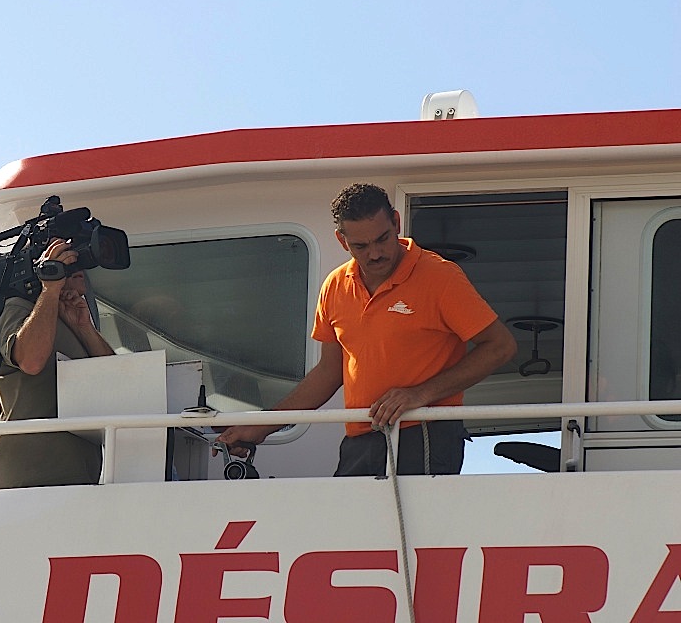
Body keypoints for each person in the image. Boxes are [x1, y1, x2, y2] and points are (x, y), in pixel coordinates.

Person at [216, 183, 517, 476]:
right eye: (360, 246)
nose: (375, 253)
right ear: (342, 241)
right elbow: (329, 372)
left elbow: (500, 346)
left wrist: (420, 395)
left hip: (425, 434)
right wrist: (262, 425)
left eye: (382, 239)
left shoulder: (440, 276)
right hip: (360, 438)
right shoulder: (334, 286)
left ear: (396, 223)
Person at [0, 238, 116, 490]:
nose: (77, 267)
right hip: (19, 482)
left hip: (75, 481)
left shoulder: (73, 317)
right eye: (64, 258)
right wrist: (50, 290)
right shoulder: (17, 307)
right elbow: (30, 362)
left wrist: (84, 328)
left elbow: (117, 381)